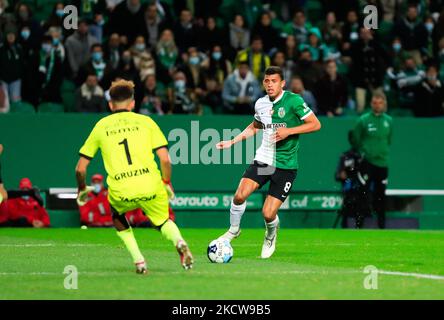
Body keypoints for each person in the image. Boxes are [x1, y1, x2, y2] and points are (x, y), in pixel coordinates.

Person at [75, 79, 193, 274]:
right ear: (132, 103)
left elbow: (80, 169)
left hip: (122, 189)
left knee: (117, 216)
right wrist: (166, 182)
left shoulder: (101, 126)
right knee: (163, 221)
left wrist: (81, 188)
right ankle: (179, 242)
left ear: (111, 104)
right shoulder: (147, 122)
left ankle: (139, 261)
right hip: (150, 184)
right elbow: (165, 160)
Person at [216, 66, 321, 258]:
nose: (270, 85)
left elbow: (315, 124)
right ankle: (233, 230)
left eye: (274, 81)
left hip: (286, 166)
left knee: (268, 213)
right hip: (264, 160)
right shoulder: (260, 103)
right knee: (240, 195)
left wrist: (289, 131)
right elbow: (255, 127)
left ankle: (271, 234)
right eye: (267, 81)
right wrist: (233, 141)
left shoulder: (294, 101)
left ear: (282, 83)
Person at [352, 92, 393, 229]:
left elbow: (389, 140)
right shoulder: (363, 120)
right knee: (362, 193)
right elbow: (355, 139)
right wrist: (364, 152)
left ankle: (382, 226)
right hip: (367, 163)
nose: (377, 105)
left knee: (381, 195)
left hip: (383, 163)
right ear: (371, 104)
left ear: (384, 104)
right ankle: (359, 226)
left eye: (380, 103)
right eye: (375, 103)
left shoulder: (389, 121)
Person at [335, 131, 369, 229]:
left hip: (362, 191)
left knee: (361, 208)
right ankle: (344, 229)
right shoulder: (345, 156)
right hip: (348, 190)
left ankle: (359, 229)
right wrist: (341, 175)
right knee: (346, 211)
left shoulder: (365, 156)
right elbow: (337, 175)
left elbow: (367, 176)